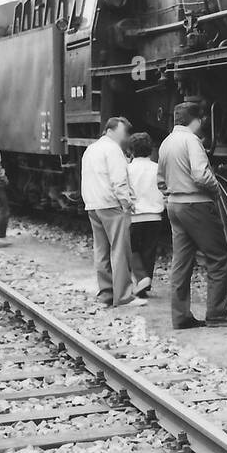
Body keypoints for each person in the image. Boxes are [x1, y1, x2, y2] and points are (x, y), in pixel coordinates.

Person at [157, 101, 227, 329]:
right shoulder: (191, 141)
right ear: (198, 120)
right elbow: (201, 175)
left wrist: (173, 192)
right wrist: (216, 191)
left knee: (181, 263)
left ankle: (181, 317)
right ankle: (216, 314)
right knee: (218, 259)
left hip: (175, 205)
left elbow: (160, 181)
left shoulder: (166, 143)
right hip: (197, 205)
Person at [80, 117, 145, 309]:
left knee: (101, 250)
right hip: (111, 204)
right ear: (112, 130)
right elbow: (119, 180)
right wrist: (127, 203)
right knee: (120, 250)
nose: (126, 137)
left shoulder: (91, 149)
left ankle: (106, 293)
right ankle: (124, 296)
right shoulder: (113, 150)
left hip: (93, 204)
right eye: (124, 132)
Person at [127, 132, 164, 298]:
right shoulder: (157, 169)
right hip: (154, 216)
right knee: (149, 251)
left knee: (132, 249)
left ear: (131, 151)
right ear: (150, 150)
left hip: (134, 216)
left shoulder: (127, 169)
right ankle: (145, 285)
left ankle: (141, 279)